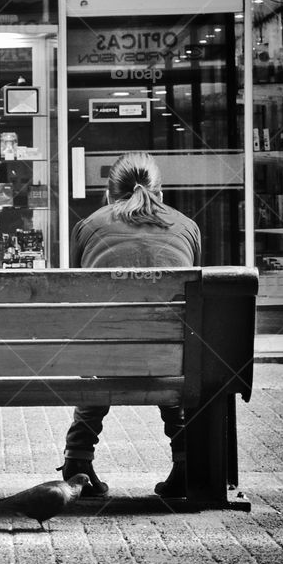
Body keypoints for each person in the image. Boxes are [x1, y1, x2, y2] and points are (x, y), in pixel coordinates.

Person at [58, 151, 201, 498]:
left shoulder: (89, 226)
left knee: (100, 353)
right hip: (169, 354)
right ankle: (185, 462)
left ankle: (77, 462)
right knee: (173, 358)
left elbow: (79, 294)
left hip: (106, 354)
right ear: (160, 193)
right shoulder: (187, 227)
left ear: (108, 195)